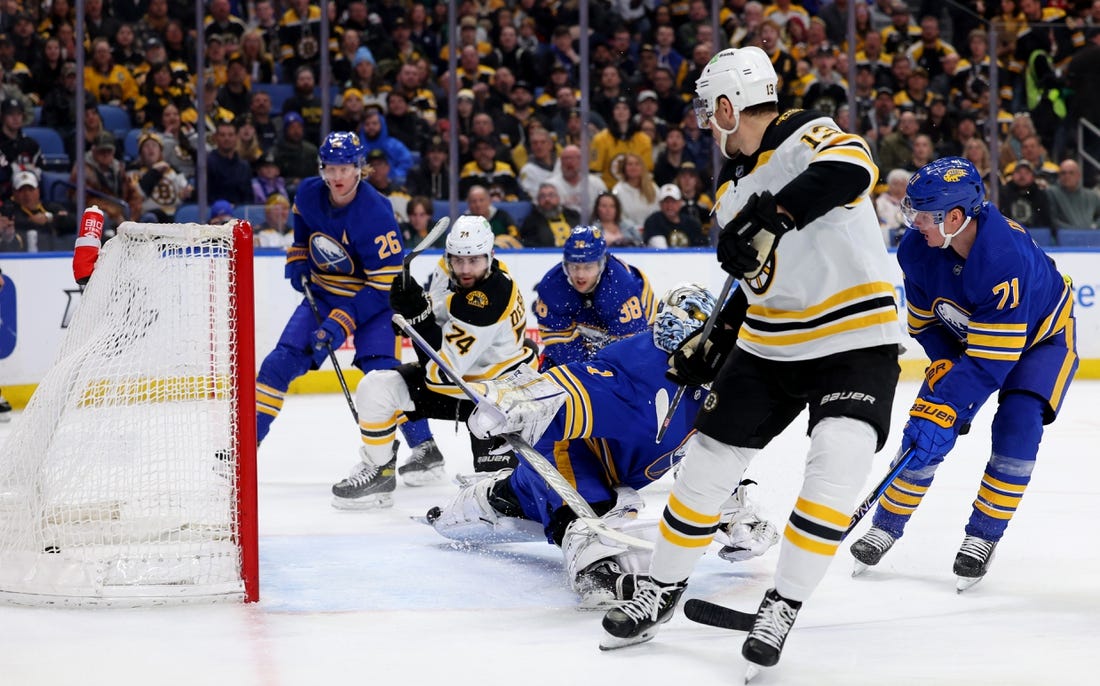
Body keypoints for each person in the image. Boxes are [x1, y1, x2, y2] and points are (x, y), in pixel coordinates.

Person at [600, 47, 904, 672]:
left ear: (727, 104)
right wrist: (715, 337)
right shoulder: (727, 186)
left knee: (836, 465)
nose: (705, 122)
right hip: (768, 341)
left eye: (708, 109)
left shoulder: (804, 132)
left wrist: (775, 213)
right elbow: (756, 277)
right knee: (706, 466)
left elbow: (853, 167)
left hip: (854, 337)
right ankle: (661, 586)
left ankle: (784, 603)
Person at [429, 283, 780, 607]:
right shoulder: (639, 369)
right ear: (681, 338)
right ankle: (592, 573)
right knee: (590, 511)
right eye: (711, 339)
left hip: (617, 468)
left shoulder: (712, 385)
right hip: (572, 450)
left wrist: (734, 515)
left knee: (547, 501)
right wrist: (509, 399)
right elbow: (567, 386)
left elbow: (713, 454)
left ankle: (497, 496)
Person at [849, 157, 1078, 590]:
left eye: (922, 214)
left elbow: (994, 360)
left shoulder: (1002, 258)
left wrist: (953, 405)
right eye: (910, 211)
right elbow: (927, 326)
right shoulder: (917, 250)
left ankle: (983, 534)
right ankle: (887, 523)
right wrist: (941, 392)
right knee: (924, 426)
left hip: (1040, 340)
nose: (912, 222)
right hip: (971, 337)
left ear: (955, 217)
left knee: (1018, 422)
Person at [254, 131, 438, 481]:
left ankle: (426, 448)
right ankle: (245, 447)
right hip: (323, 294)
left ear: (359, 169)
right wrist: (297, 258)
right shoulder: (309, 192)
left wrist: (340, 323)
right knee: (278, 363)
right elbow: (302, 226)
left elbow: (384, 285)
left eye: (345, 169)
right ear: (322, 168)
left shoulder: (376, 213)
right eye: (331, 169)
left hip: (375, 301)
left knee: (382, 377)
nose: (337, 177)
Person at [330, 215, 537, 508]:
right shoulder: (447, 268)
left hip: (496, 394)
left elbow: (441, 374)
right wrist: (415, 308)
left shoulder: (489, 298)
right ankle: (379, 470)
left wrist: (417, 320)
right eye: (458, 259)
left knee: (501, 495)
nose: (464, 269)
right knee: (376, 387)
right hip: (463, 384)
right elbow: (438, 315)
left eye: (474, 260)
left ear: (490, 256)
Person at [533, 225, 655, 371]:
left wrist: (600, 376)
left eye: (588, 267)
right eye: (574, 266)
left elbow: (631, 354)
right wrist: (587, 373)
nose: (580, 275)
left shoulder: (620, 288)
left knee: (642, 373)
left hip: (640, 330)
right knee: (550, 374)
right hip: (587, 338)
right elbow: (562, 350)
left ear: (602, 264)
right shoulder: (552, 288)